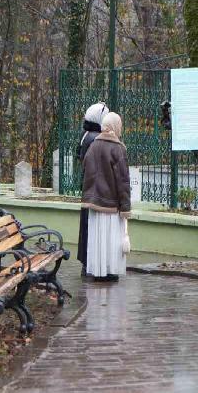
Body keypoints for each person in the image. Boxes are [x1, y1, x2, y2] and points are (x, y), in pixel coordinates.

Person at [81, 112, 130, 282]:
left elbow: (86, 169)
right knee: (111, 240)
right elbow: (123, 180)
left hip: (95, 203)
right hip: (111, 204)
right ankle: (110, 270)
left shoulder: (93, 145)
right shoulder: (118, 148)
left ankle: (97, 270)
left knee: (97, 239)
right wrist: (125, 207)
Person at [76, 102, 109, 277]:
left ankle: (85, 262)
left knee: (86, 225)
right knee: (92, 226)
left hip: (87, 186)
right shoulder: (96, 138)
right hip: (95, 188)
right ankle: (91, 264)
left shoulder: (85, 134)